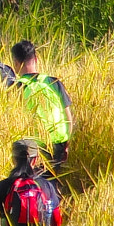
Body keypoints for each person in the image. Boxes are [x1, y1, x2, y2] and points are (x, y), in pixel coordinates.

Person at [10, 39, 73, 168]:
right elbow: (68, 118)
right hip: (58, 145)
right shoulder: (54, 82)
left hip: (32, 149)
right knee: (53, 184)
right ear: (36, 59)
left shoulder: (16, 87)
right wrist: (66, 145)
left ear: (16, 63)